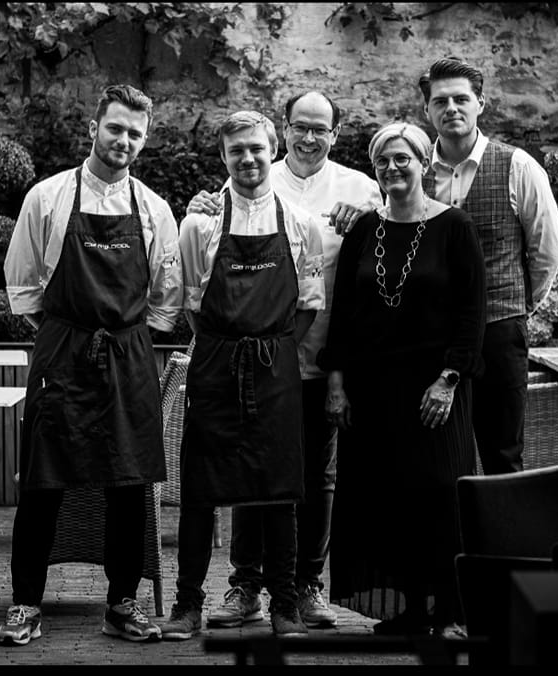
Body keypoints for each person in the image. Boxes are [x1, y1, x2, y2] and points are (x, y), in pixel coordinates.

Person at [185, 91, 383, 630]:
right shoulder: (251, 175)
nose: (309, 137)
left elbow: (386, 250)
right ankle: (246, 586)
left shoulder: (360, 189)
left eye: (321, 128)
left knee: (315, 478)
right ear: (284, 129)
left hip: (324, 360)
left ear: (335, 134)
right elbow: (201, 280)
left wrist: (370, 216)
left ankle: (306, 586)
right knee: (252, 476)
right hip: (261, 365)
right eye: (301, 126)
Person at [0, 84, 182, 646]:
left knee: (129, 485)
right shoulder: (48, 197)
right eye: (115, 128)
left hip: (128, 355)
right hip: (62, 352)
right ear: (94, 128)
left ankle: (122, 604)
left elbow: (166, 298)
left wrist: (120, 340)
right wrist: (68, 336)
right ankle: (25, 603)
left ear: (144, 141)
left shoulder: (154, 209)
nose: (123, 140)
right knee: (42, 484)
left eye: (135, 133)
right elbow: (23, 285)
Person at [159, 110, 326, 641]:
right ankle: (187, 604)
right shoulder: (199, 224)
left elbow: (308, 306)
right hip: (215, 367)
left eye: (256, 148)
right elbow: (192, 307)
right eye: (236, 151)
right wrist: (226, 348)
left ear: (272, 150)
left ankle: (284, 606)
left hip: (276, 370)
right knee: (199, 492)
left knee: (280, 493)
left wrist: (271, 349)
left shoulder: (300, 223)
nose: (248, 159)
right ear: (223, 157)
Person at [317, 122, 486, 638]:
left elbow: (472, 313)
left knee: (441, 495)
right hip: (373, 388)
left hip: (436, 386)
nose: (392, 168)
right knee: (389, 497)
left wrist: (449, 379)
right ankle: (411, 610)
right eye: (383, 160)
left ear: (422, 163)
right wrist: (336, 383)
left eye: (402, 159)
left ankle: (452, 612)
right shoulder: (364, 230)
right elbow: (343, 314)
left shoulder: (454, 226)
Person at [418, 57, 558, 475]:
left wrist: (517, 305)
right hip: (432, 337)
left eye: (461, 99)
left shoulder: (518, 166)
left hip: (498, 333)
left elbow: (546, 251)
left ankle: (505, 524)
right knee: (440, 458)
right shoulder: (415, 171)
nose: (451, 109)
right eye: (440, 101)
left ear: (481, 103)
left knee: (503, 455)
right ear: (427, 109)